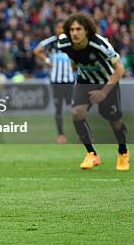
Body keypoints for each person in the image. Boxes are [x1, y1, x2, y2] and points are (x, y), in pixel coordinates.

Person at [54, 13, 128, 171]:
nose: (74, 33)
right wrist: (76, 66)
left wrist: (104, 92)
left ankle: (123, 152)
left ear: (87, 30)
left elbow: (120, 68)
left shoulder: (100, 44)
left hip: (107, 81)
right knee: (76, 112)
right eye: (72, 29)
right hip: (85, 81)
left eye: (79, 29)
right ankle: (92, 154)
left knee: (114, 120)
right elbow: (73, 59)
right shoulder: (64, 43)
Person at [34, 22, 76, 143]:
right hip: (56, 81)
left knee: (76, 107)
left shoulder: (72, 41)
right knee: (58, 108)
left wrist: (75, 65)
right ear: (55, 29)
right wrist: (47, 61)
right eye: (58, 27)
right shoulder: (52, 42)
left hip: (69, 80)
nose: (60, 30)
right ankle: (61, 135)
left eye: (62, 28)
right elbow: (37, 50)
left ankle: (80, 133)